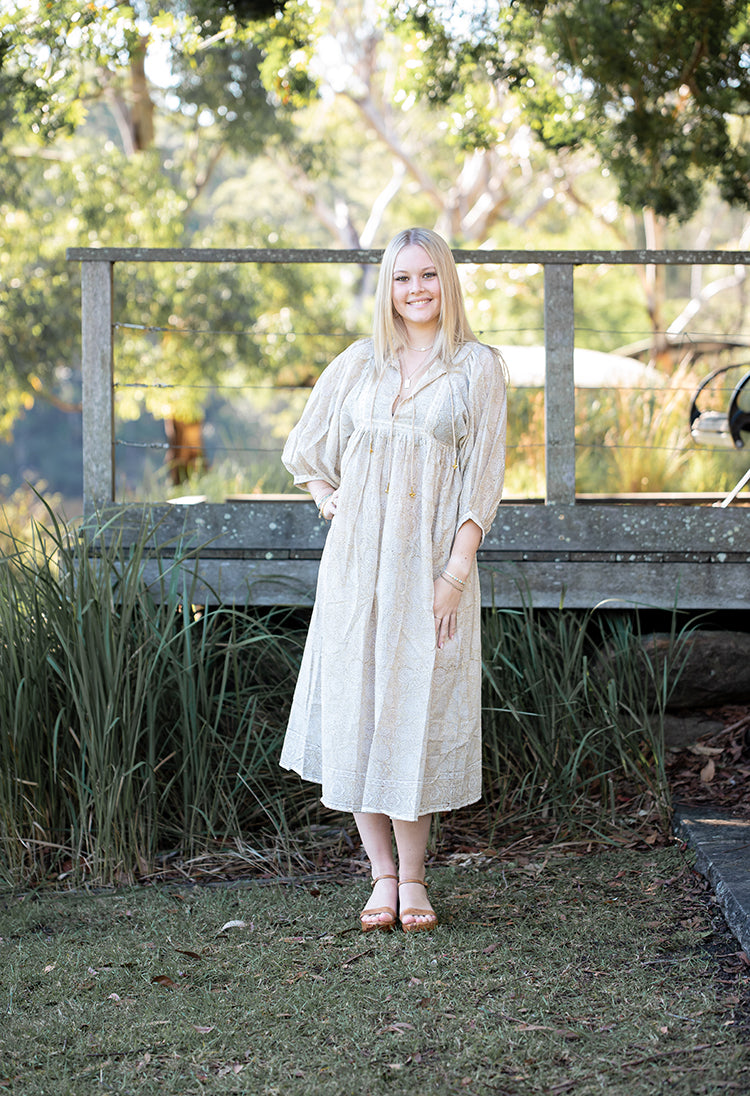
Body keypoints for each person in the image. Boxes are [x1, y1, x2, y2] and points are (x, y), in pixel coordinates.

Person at [280, 227, 507, 933]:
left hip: (431, 566)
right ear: (388, 287)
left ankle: (414, 878)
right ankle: (380, 875)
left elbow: (484, 478)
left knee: (415, 706)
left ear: (448, 282)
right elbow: (306, 449)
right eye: (403, 277)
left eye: (428, 275)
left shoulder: (477, 367)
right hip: (355, 567)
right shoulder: (360, 363)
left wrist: (454, 574)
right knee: (358, 707)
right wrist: (328, 498)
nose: (416, 290)